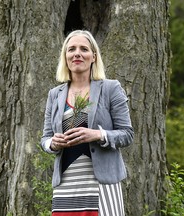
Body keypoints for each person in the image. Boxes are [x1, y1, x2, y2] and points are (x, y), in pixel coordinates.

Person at [41, 30, 134, 216]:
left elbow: (127, 134)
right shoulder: (54, 94)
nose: (77, 53)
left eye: (84, 49)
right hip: (66, 185)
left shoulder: (111, 88)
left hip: (101, 183)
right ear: (65, 57)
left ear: (93, 56)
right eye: (71, 49)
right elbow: (45, 138)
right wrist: (53, 143)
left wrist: (98, 135)